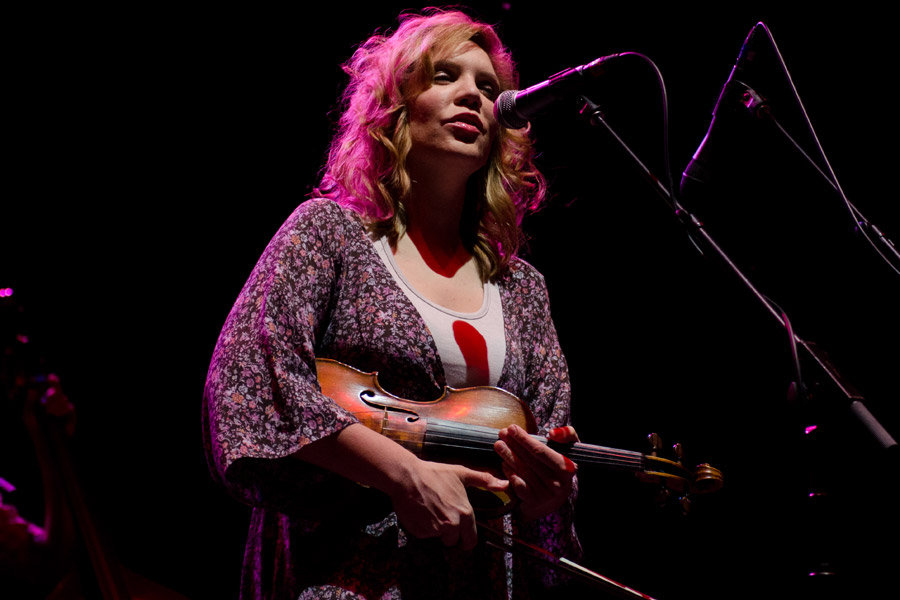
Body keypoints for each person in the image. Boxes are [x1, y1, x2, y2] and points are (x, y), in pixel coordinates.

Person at [203, 8, 581, 599]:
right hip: (349, 576)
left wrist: (547, 496)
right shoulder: (329, 234)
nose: (473, 98)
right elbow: (252, 384)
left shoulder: (523, 289)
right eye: (444, 77)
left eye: (488, 88)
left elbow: (541, 460)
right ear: (395, 106)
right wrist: (404, 474)